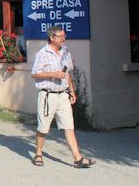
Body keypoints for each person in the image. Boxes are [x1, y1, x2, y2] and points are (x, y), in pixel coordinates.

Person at [31, 25, 96, 168]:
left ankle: (77, 158)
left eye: (64, 36)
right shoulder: (42, 53)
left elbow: (67, 74)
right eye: (60, 37)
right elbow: (34, 73)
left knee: (69, 126)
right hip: (48, 96)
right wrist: (53, 74)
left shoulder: (65, 51)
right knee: (43, 128)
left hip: (63, 95)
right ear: (51, 38)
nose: (63, 39)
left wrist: (72, 91)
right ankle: (38, 153)